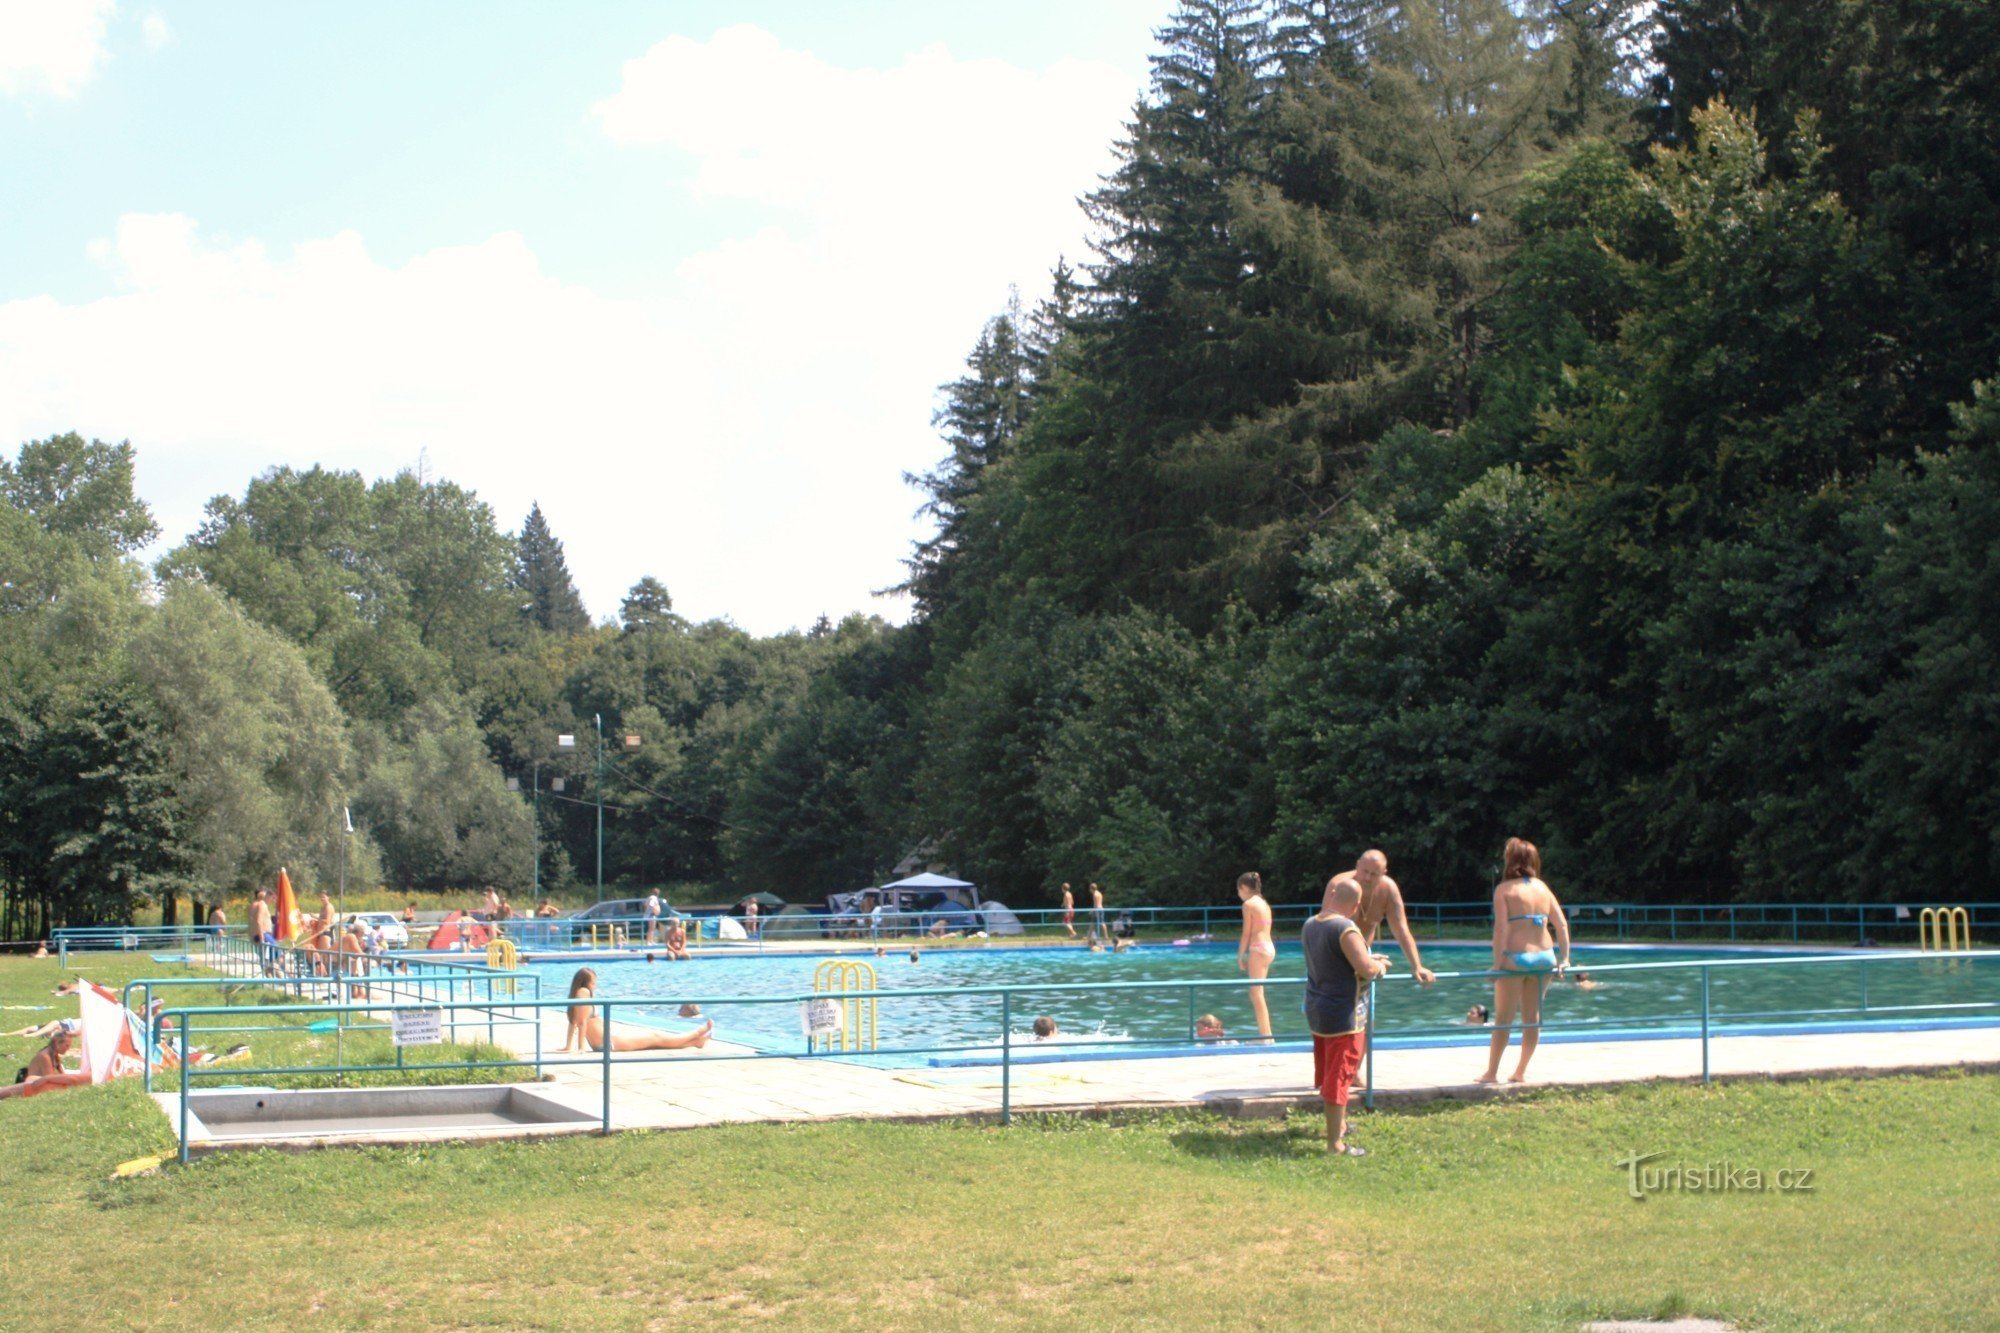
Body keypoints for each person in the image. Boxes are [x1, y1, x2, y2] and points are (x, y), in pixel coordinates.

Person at [1303, 876, 1392, 1156]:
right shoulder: (1346, 928)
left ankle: (1337, 1127)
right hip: (1345, 1016)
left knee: (1330, 1073)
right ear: (1355, 907)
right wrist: (1379, 966)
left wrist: (1368, 959)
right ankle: (1335, 1144)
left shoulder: (1310, 924)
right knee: (1339, 1079)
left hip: (1318, 1010)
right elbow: (1365, 969)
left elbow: (1338, 960)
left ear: (1331, 895)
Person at [1477, 837, 1571, 1086]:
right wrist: (1566, 959)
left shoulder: (1504, 890)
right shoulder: (1542, 887)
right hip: (1545, 958)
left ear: (1510, 860)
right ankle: (1520, 1071)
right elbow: (1561, 924)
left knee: (1503, 1020)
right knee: (1532, 1017)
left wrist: (1497, 966)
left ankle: (1491, 1072)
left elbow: (1500, 931)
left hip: (1516, 960)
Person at [1336, 850, 1436, 986]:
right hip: (1334, 959)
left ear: (1383, 873)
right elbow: (1324, 927)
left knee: (1359, 1005)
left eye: (1374, 874)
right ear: (1357, 865)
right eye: (1365, 871)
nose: (1367, 878)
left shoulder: (1388, 890)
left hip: (1363, 962)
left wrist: (1417, 966)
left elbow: (1401, 931)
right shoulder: (1339, 885)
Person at [560, 967, 712, 1054]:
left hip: (607, 1041)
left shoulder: (576, 995)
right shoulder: (584, 993)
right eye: (594, 982)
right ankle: (695, 1033)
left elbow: (573, 1023)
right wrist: (580, 1049)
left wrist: (568, 1047)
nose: (595, 985)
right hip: (608, 1043)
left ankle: (696, 1042)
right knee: (654, 1036)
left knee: (656, 1043)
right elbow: (581, 1023)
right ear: (586, 982)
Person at [1235, 871, 1276, 1040]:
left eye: (1238, 890)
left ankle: (1266, 1036)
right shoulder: (1264, 904)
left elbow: (1246, 933)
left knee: (1256, 993)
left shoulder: (1249, 904)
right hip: (1269, 948)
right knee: (1258, 993)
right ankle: (1266, 1035)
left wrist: (1240, 956)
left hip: (1258, 948)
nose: (1238, 894)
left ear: (1244, 887)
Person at [249, 888, 276, 976]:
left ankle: (271, 979)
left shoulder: (253, 905)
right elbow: (258, 921)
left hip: (257, 935)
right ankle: (287, 979)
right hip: (264, 935)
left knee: (266, 960)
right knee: (276, 958)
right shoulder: (261, 904)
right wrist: (262, 937)